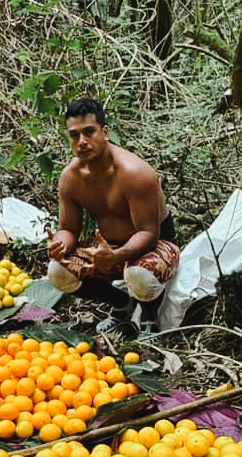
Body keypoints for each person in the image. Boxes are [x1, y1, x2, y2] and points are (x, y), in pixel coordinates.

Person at [47, 97, 180, 334]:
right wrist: (60, 244)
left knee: (139, 275)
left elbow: (149, 233)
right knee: (57, 271)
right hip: (109, 250)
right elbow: (69, 229)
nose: (82, 142)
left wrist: (116, 256)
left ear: (105, 132)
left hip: (155, 245)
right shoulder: (70, 178)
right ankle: (121, 306)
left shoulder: (135, 173)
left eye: (89, 132)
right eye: (74, 135)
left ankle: (150, 320)